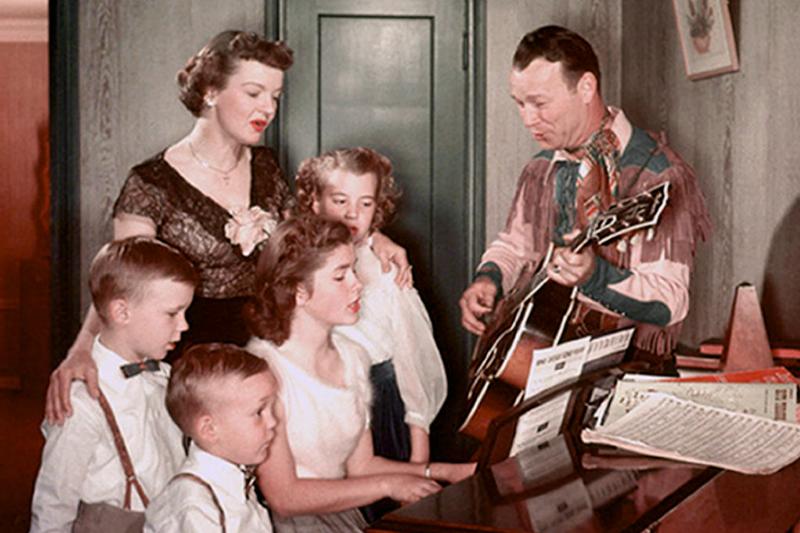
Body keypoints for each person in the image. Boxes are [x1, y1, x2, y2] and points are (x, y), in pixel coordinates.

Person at [45, 29, 410, 425]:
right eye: (254, 93)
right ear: (211, 91)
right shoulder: (150, 183)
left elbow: (306, 241)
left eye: (275, 96)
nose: (268, 108)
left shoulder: (268, 167)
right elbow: (121, 286)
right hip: (191, 364)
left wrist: (374, 238)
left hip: (269, 349)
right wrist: (81, 349)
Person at [459, 25, 711, 370]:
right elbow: (516, 245)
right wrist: (489, 279)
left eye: (540, 103)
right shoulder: (541, 168)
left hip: (626, 373)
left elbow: (671, 301)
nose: (527, 119)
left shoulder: (660, 175)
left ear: (586, 87)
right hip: (543, 361)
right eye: (519, 103)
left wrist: (595, 277)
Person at [243, 217, 474, 532]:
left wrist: (448, 472)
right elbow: (284, 497)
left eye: (353, 269)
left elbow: (361, 466)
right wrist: (390, 487)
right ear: (298, 292)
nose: (358, 284)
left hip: (341, 517)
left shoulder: (352, 356)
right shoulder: (265, 368)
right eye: (341, 276)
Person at [294, 147, 448, 521]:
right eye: (340, 200)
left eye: (365, 204)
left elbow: (412, 364)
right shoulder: (296, 259)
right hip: (319, 410)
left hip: (380, 412)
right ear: (314, 202)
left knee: (382, 517)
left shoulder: (386, 269)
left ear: (377, 209)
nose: (351, 214)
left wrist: (419, 457)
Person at [30, 237, 194, 531]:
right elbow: (53, 504)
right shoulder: (82, 403)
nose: (184, 326)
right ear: (122, 312)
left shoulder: (163, 377)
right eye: (172, 314)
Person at [145, 343, 279, 532]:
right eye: (259, 412)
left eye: (272, 409)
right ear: (209, 430)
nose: (273, 421)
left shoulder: (234, 475)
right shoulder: (195, 507)